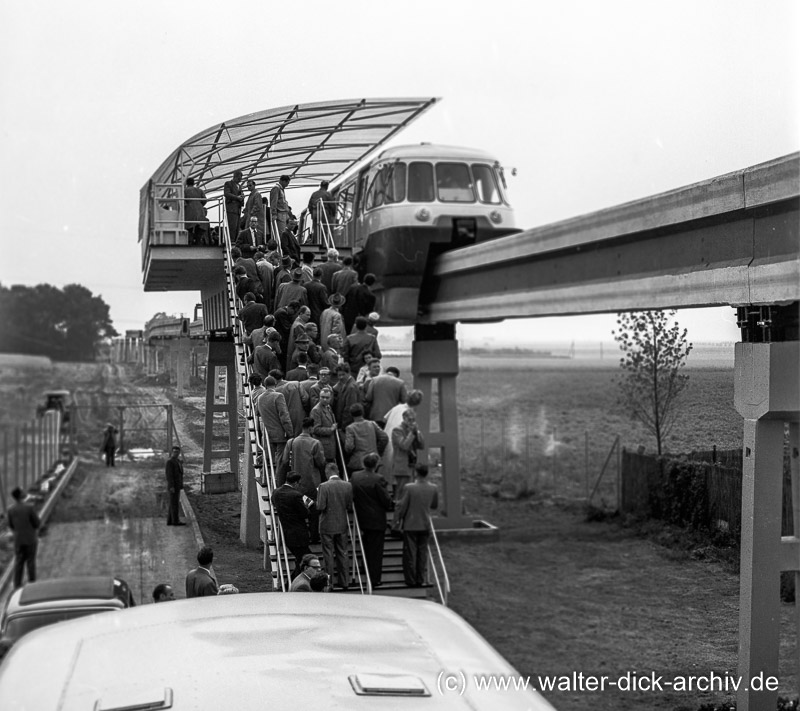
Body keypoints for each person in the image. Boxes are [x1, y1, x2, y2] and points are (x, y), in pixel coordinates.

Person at [351, 453, 392, 587]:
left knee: (366, 544)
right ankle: (374, 578)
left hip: (361, 517)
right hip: (376, 519)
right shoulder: (378, 479)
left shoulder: (355, 477)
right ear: (375, 465)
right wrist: (391, 504)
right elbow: (385, 499)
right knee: (376, 550)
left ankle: (364, 568)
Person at [395, 465, 439, 587]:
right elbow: (434, 505)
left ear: (416, 473)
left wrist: (398, 519)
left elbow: (403, 506)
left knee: (410, 553)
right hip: (425, 524)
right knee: (422, 553)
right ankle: (420, 578)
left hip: (411, 524)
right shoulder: (433, 488)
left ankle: (410, 579)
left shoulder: (409, 488)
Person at [316, 462, 353, 590]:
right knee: (343, 552)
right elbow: (349, 505)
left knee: (328, 554)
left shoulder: (323, 486)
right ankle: (345, 582)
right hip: (341, 523)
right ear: (337, 471)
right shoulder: (347, 485)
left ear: (327, 472)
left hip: (326, 524)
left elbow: (320, 506)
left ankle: (329, 583)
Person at [272, 473, 312, 580]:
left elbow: (274, 503)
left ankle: (293, 581)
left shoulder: (276, 492)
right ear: (295, 483)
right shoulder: (296, 495)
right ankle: (294, 582)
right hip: (299, 533)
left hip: (287, 532)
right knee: (306, 559)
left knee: (301, 559)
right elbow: (305, 513)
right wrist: (307, 506)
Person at [7, 487, 40, 589]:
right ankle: (32, 583)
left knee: (19, 562)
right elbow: (37, 523)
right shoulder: (29, 508)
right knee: (30, 561)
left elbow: (11, 525)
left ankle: (17, 585)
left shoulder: (10, 510)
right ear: (21, 495)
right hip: (30, 538)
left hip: (18, 540)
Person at [257, 376, 293, 462]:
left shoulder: (260, 398)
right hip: (280, 433)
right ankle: (278, 475)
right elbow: (284, 416)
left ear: (264, 385)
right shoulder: (278, 396)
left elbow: (257, 413)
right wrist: (290, 432)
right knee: (281, 460)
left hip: (267, 434)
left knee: (269, 458)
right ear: (275, 384)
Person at [390, 408, 425, 500]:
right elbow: (404, 445)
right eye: (409, 420)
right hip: (402, 467)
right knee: (402, 496)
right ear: (404, 418)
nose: (411, 422)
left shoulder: (413, 431)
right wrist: (411, 434)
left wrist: (417, 433)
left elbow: (421, 446)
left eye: (413, 420)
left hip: (412, 467)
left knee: (410, 496)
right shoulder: (397, 430)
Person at [344, 403, 388, 471]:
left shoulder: (350, 428)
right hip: (374, 460)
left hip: (358, 463)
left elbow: (349, 447)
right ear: (363, 412)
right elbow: (384, 437)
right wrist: (377, 450)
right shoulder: (372, 424)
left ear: (351, 414)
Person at [310, 386, 337, 462]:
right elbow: (315, 429)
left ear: (331, 398)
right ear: (319, 397)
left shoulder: (328, 407)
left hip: (329, 446)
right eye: (322, 397)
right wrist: (331, 429)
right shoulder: (316, 410)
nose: (324, 399)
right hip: (323, 447)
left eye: (327, 397)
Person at [165, 445, 186, 526]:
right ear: (172, 452)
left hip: (177, 485)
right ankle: (176, 521)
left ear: (179, 452)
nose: (176, 453)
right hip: (173, 486)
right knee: (175, 504)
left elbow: (179, 473)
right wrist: (171, 487)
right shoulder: (170, 462)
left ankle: (170, 520)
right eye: (174, 452)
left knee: (173, 503)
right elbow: (169, 476)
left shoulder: (177, 461)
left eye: (177, 452)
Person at [184, 176, 207, 245]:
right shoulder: (200, 190)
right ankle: (198, 242)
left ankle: (189, 242)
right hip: (200, 211)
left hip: (189, 210)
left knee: (189, 228)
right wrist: (199, 204)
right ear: (194, 183)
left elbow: (182, 201)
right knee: (199, 228)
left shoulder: (185, 190)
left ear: (186, 183)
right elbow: (205, 200)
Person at [224, 169, 245, 239]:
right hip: (231, 208)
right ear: (235, 177)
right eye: (239, 178)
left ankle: (235, 241)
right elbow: (226, 193)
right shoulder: (228, 184)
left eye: (241, 179)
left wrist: (242, 199)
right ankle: (231, 240)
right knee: (232, 226)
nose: (240, 180)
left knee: (237, 227)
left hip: (238, 209)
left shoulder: (240, 186)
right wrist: (237, 198)